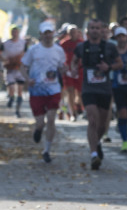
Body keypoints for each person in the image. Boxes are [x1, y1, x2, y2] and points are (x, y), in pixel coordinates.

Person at [71, 19, 122, 170]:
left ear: (102, 30)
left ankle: (96, 143)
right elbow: (74, 61)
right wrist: (73, 69)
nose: (94, 30)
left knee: (102, 124)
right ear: (87, 30)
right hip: (88, 89)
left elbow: (119, 64)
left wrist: (109, 67)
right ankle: (93, 154)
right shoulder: (81, 47)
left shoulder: (110, 47)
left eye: (97, 28)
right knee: (92, 119)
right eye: (92, 28)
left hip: (105, 89)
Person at [22, 20, 67, 162]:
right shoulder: (33, 50)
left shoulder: (59, 50)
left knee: (52, 119)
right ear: (41, 34)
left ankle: (47, 150)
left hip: (53, 89)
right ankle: (38, 129)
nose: (48, 36)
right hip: (37, 90)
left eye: (50, 33)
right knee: (41, 122)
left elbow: (61, 66)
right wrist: (28, 79)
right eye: (45, 33)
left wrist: (64, 70)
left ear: (53, 34)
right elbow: (23, 66)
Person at [59, 25, 84, 121]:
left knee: (80, 92)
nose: (73, 34)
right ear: (68, 34)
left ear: (78, 32)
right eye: (71, 32)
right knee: (70, 91)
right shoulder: (64, 44)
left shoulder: (82, 43)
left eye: (75, 32)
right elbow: (60, 57)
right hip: (68, 71)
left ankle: (78, 105)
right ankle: (72, 113)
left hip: (80, 71)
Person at [3, 25, 27, 117]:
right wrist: (6, 60)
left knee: (20, 91)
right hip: (10, 69)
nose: (15, 33)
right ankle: (11, 97)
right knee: (12, 87)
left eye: (16, 31)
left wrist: (19, 58)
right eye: (13, 31)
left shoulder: (23, 43)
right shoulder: (5, 43)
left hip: (20, 68)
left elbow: (26, 53)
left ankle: (18, 110)